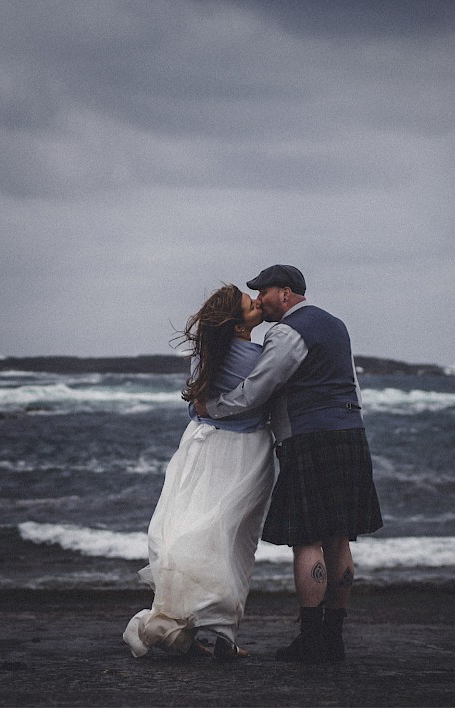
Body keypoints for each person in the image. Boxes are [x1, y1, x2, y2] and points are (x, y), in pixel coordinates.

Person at [194, 265, 383, 663]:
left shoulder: (286, 332)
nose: (259, 300)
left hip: (309, 438)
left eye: (263, 292)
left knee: (308, 539)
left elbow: (257, 390)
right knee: (340, 537)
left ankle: (312, 641)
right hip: (351, 432)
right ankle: (334, 639)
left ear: (285, 292)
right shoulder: (337, 325)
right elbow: (352, 383)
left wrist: (212, 407)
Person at [123, 284, 276, 660]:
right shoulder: (260, 358)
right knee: (235, 540)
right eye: (249, 303)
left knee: (192, 530)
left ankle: (191, 627)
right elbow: (264, 404)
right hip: (245, 452)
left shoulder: (205, 354)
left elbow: (197, 407)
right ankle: (222, 634)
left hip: (199, 445)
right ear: (236, 322)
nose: (257, 302)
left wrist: (210, 409)